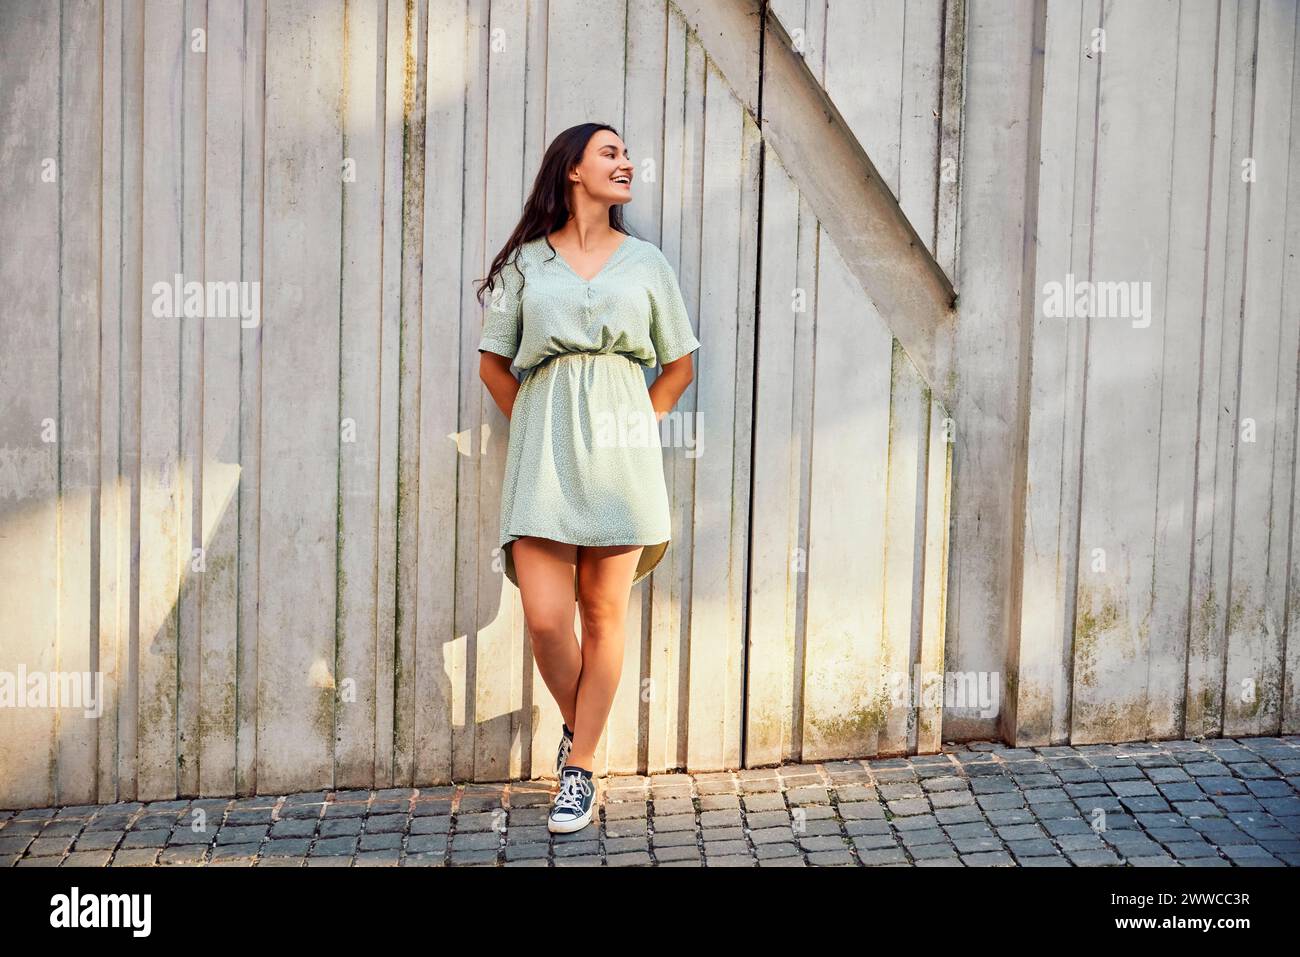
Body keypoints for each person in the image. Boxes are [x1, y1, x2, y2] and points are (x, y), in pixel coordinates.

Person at [475, 123, 700, 834]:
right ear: (571, 169)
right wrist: (540, 427)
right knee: (546, 618)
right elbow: (493, 364)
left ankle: (579, 769)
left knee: (603, 617)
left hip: (621, 461)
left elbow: (679, 365)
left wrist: (637, 425)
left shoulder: (646, 263)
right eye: (611, 153)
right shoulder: (525, 265)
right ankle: (587, 731)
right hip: (543, 460)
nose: (627, 162)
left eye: (629, 154)